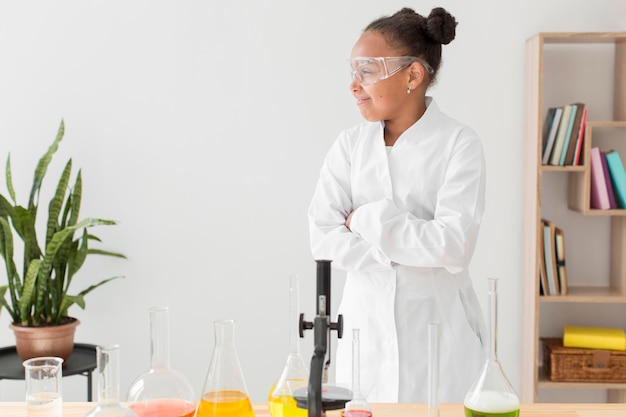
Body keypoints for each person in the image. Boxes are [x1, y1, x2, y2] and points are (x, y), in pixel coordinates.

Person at [307, 7, 487, 403]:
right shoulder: (349, 146)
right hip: (362, 338)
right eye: (352, 71)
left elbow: (454, 245)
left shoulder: (459, 144)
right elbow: (322, 238)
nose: (353, 85)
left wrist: (366, 219)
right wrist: (408, 250)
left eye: (367, 70)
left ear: (413, 75)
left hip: (440, 341)